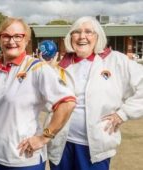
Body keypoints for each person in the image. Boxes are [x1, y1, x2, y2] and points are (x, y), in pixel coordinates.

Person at [0, 17, 76, 170]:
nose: (12, 41)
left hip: (25, 160)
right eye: (6, 36)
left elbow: (67, 102)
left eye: (18, 36)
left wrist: (45, 137)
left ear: (27, 40)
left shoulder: (38, 68)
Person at [46, 16, 143, 170]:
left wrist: (123, 114)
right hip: (61, 145)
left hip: (95, 149)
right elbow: (45, 101)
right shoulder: (60, 66)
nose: (82, 36)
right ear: (70, 37)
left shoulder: (116, 61)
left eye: (88, 32)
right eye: (76, 32)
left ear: (98, 37)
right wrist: (45, 71)